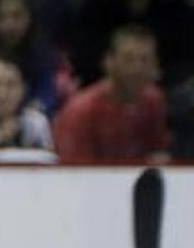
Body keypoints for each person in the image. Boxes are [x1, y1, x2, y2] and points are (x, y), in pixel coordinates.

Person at [54, 24, 170, 165]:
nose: (137, 68)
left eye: (145, 60)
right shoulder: (81, 110)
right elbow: (74, 171)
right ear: (109, 61)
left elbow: (159, 153)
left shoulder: (155, 101)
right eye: (128, 59)